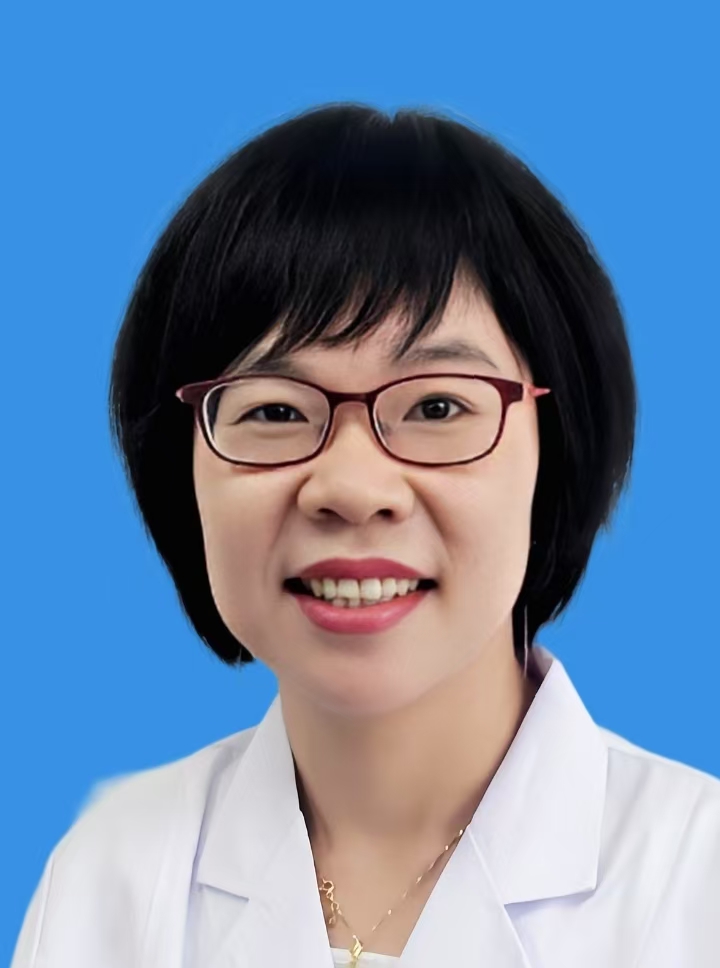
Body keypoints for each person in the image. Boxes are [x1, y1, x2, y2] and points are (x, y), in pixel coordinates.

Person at [11, 104, 720, 968]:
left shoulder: (699, 883)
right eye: (275, 410)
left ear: (558, 450)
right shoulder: (106, 881)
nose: (352, 489)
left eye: (438, 406)